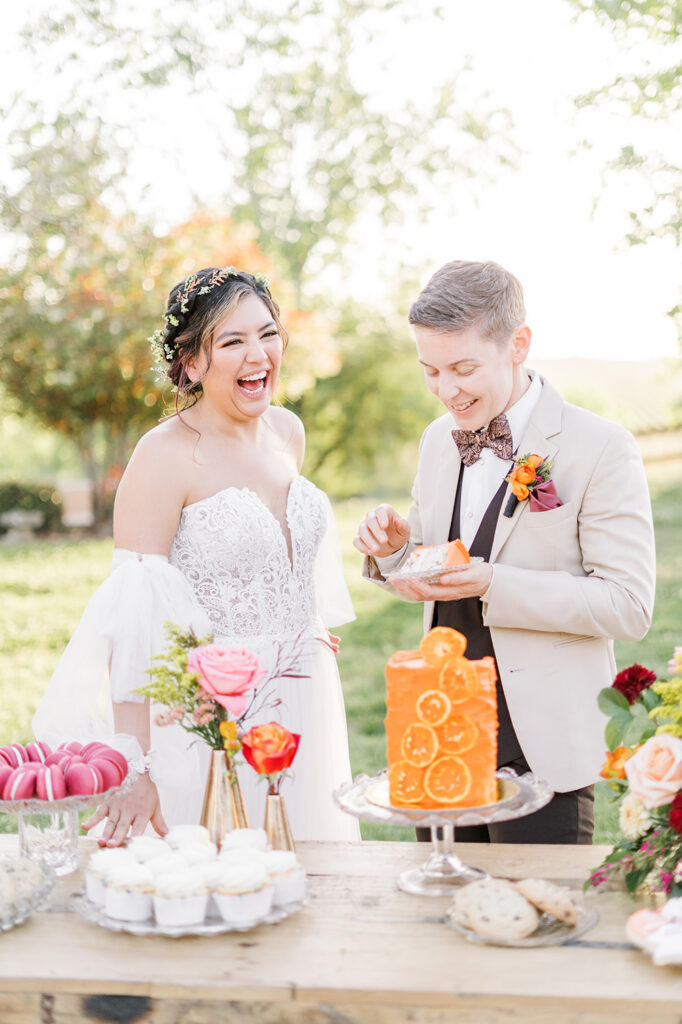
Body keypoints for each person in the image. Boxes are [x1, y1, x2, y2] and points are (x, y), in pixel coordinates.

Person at [33, 266, 360, 845]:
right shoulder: (163, 455)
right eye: (231, 342)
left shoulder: (288, 432)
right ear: (190, 364)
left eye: (267, 333)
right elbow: (133, 621)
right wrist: (135, 766)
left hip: (304, 700)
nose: (257, 354)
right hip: (208, 721)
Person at [354, 260, 655, 844]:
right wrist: (394, 554)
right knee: (446, 916)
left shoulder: (600, 447)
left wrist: (495, 582)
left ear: (518, 345)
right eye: (431, 371)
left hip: (541, 738)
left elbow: (628, 605)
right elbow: (434, 564)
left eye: (463, 368)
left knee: (536, 915)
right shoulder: (438, 441)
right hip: (442, 727)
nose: (446, 391)